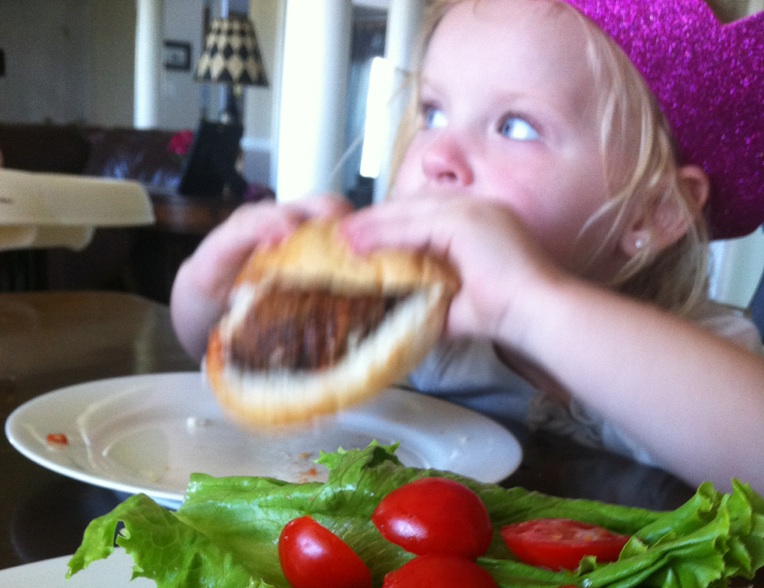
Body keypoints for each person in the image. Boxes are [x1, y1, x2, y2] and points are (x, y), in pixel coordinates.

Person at [171, 0, 764, 494]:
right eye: (433, 112)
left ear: (653, 212)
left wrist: (529, 305)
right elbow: (243, 371)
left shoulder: (708, 352)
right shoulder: (412, 323)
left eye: (516, 126)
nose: (437, 156)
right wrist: (207, 289)